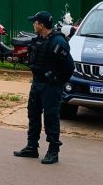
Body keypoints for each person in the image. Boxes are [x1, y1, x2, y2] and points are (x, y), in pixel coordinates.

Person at [14, 11, 75, 165]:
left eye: (35, 22)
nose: (33, 25)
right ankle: (32, 147)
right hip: (37, 84)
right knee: (33, 114)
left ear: (41, 25)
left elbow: (69, 67)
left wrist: (57, 80)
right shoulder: (38, 40)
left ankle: (53, 151)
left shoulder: (58, 42)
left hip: (51, 86)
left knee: (51, 117)